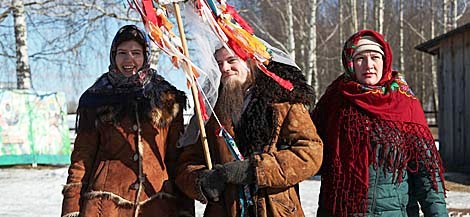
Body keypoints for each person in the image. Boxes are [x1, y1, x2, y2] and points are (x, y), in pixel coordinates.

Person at [311, 29, 448, 217]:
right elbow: (310, 150)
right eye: (360, 58)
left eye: (375, 57)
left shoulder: (404, 102)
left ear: (385, 61)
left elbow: (427, 173)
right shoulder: (333, 101)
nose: (369, 65)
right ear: (350, 63)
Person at [61, 25, 194, 217]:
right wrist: (71, 207)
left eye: (136, 53)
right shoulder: (95, 99)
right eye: (122, 52)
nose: (128, 59)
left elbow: (176, 160)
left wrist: (185, 210)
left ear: (145, 56)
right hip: (104, 207)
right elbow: (82, 157)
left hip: (157, 205)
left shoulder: (167, 99)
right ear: (113, 56)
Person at [175, 47, 323, 217]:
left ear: (250, 62)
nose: (225, 68)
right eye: (219, 64)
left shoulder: (282, 102)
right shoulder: (209, 112)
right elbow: (186, 163)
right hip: (225, 209)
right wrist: (201, 181)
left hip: (275, 209)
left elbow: (310, 153)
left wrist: (254, 169)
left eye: (231, 61)